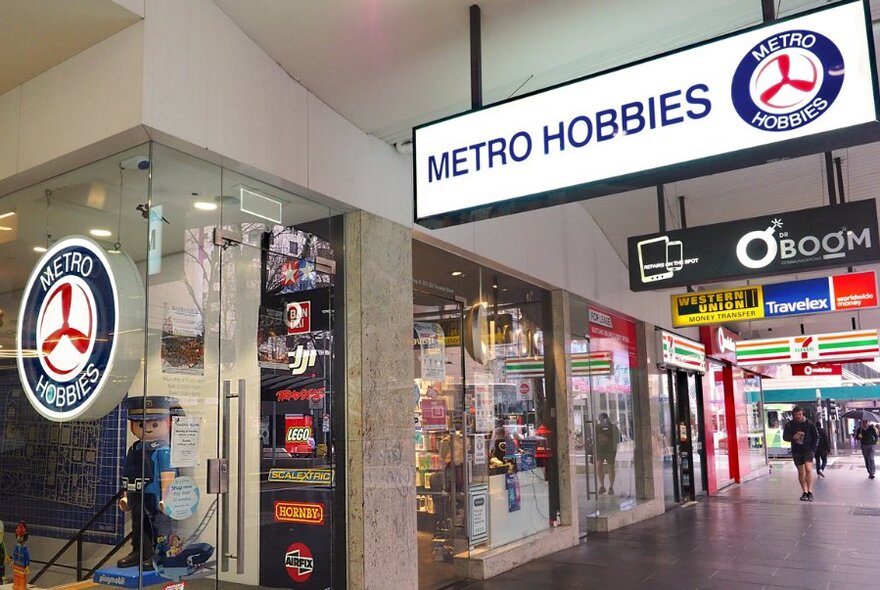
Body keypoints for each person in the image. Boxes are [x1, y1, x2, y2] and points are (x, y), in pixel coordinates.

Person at [117, 396, 184, 569]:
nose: (146, 429)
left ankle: (161, 553)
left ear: (167, 423)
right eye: (141, 424)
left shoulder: (164, 450)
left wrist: (167, 498)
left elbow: (167, 475)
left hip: (154, 495)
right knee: (138, 524)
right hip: (136, 493)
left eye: (154, 424)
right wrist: (125, 496)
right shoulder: (135, 449)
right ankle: (140, 551)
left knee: (159, 525)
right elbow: (128, 472)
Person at [782, 407, 819, 501]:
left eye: (800, 414)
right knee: (801, 471)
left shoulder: (809, 423)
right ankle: (805, 491)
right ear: (793, 415)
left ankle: (810, 491)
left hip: (808, 449)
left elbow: (816, 436)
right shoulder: (789, 425)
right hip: (796, 450)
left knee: (808, 469)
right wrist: (793, 437)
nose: (798, 416)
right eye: (796, 415)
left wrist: (813, 449)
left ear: (803, 413)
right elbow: (785, 437)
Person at [595, 412, 620, 495]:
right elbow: (595, 438)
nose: (602, 422)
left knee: (610, 468)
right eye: (600, 420)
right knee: (599, 466)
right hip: (600, 450)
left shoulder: (613, 427)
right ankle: (602, 486)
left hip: (610, 450)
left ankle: (611, 487)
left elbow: (617, 439)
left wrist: (608, 440)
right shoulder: (597, 427)